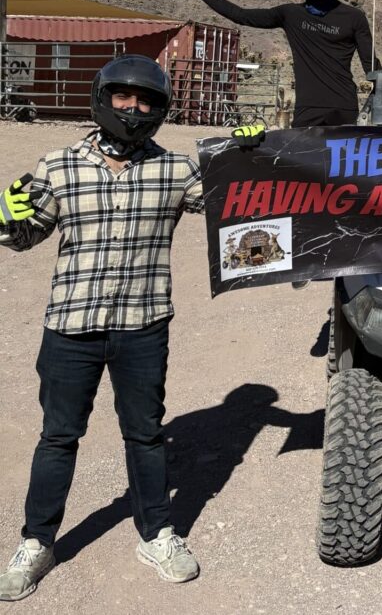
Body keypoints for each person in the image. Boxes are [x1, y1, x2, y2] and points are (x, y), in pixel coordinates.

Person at [0, 56, 264, 602]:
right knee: (58, 437)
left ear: (160, 110)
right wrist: (6, 218)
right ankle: (37, 541)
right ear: (103, 99)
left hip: (143, 326)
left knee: (144, 435)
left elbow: (233, 209)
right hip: (71, 326)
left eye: (146, 101)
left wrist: (253, 158)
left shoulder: (175, 171)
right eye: (124, 97)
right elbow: (26, 236)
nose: (134, 108)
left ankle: (157, 534)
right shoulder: (57, 166)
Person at [172, 0, 380, 128]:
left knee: (342, 169)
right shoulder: (290, 14)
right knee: (304, 170)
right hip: (308, 109)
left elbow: (372, 68)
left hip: (345, 108)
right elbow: (241, 15)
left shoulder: (354, 17)